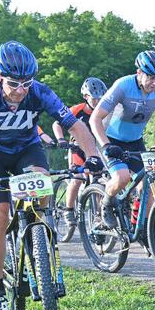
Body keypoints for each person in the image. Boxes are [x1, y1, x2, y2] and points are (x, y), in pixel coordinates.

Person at [0, 40, 103, 310]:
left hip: (26, 150)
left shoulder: (40, 92)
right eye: (13, 84)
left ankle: (38, 232)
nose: (21, 90)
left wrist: (93, 155)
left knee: (42, 182)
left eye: (26, 83)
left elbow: (76, 125)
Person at [90, 50, 155, 228]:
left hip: (135, 142)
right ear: (139, 72)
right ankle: (106, 205)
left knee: (147, 189)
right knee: (122, 177)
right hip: (111, 140)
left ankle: (139, 229)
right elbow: (95, 118)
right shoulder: (123, 85)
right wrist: (106, 145)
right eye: (150, 77)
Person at [52, 77, 107, 231]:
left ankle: (99, 213)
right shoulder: (77, 109)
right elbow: (57, 123)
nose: (97, 101)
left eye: (100, 98)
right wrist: (61, 139)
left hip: (95, 150)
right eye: (94, 98)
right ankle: (68, 210)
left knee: (100, 178)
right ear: (86, 97)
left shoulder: (105, 110)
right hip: (77, 148)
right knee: (77, 179)